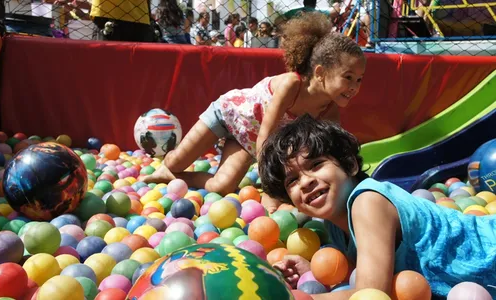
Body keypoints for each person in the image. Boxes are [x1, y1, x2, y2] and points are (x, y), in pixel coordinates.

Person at [258, 114, 496, 299]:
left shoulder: (367, 201)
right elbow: (365, 269)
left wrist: (299, 298)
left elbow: (370, 293)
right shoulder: (334, 226)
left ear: (349, 164)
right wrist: (315, 269)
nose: (306, 181)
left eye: (317, 164)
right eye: (292, 180)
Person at [142, 12, 366, 199]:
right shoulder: (292, 84)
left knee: (221, 187)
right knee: (175, 161)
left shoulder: (329, 110)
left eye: (359, 79)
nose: (355, 87)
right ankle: (168, 168)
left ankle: (172, 178)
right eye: (348, 77)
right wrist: (273, 184)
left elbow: (332, 152)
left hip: (247, 138)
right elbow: (265, 136)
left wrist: (350, 179)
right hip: (228, 115)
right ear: (320, 73)